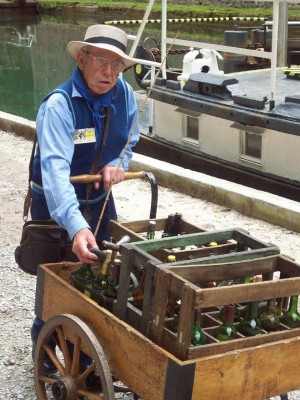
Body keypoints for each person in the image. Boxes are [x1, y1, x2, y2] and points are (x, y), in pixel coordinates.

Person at [30, 24, 140, 365]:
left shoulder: (125, 95)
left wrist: (114, 163)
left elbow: (130, 138)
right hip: (55, 204)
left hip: (99, 200)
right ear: (82, 58)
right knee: (57, 283)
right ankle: (45, 352)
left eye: (117, 65)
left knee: (104, 272)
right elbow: (56, 178)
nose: (109, 72)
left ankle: (92, 349)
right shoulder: (58, 107)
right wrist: (77, 228)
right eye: (101, 61)